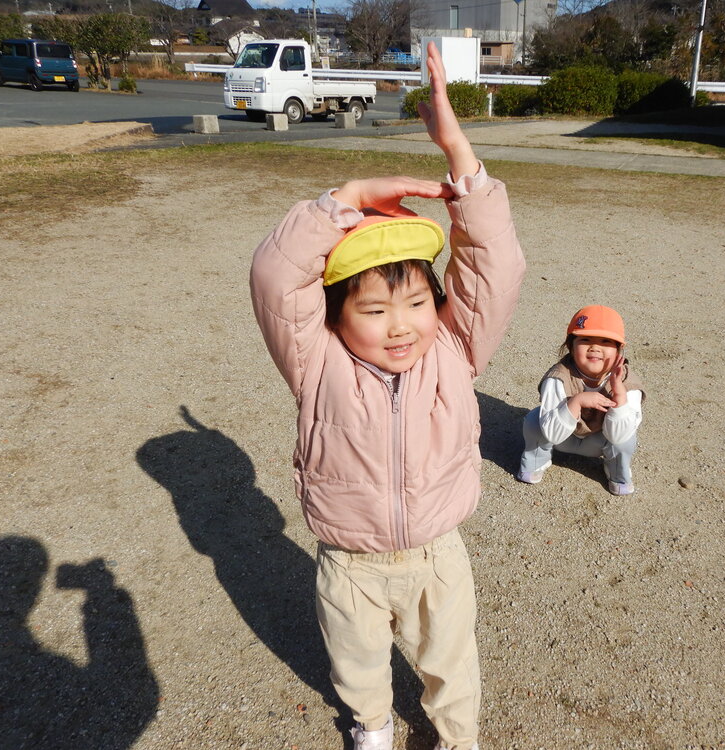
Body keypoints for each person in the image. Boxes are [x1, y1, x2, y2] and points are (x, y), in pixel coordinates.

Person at [249, 41, 524, 750]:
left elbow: (493, 264)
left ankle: (457, 737)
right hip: (350, 561)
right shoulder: (316, 364)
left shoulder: (454, 353)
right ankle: (370, 728)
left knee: (452, 661)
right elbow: (278, 279)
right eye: (372, 311)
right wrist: (343, 201)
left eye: (414, 305)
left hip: (438, 554)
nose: (399, 327)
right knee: (357, 661)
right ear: (336, 315)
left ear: (438, 304)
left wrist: (456, 146)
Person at [517, 305, 645, 495]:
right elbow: (552, 434)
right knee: (534, 421)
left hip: (601, 441)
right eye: (585, 340)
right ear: (570, 345)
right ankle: (536, 459)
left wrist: (619, 395)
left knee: (627, 439)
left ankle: (617, 470)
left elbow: (619, 436)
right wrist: (575, 402)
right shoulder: (558, 377)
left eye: (606, 341)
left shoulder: (628, 383)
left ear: (619, 350)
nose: (595, 347)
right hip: (563, 438)